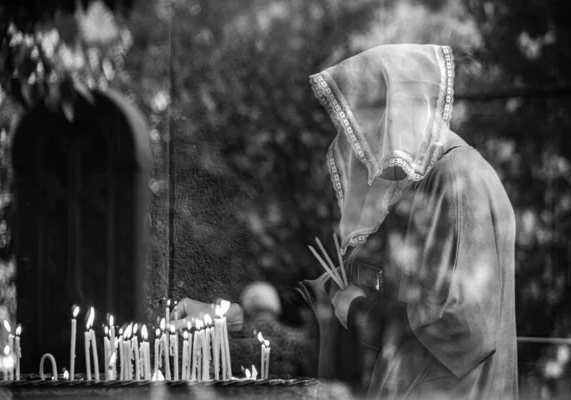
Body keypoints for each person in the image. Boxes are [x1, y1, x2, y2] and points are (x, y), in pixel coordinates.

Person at [172, 44, 518, 400]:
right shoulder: (423, 184)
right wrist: (234, 315)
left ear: (402, 109)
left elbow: (466, 329)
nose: (358, 142)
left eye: (365, 123)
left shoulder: (461, 179)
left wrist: (369, 310)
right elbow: (348, 282)